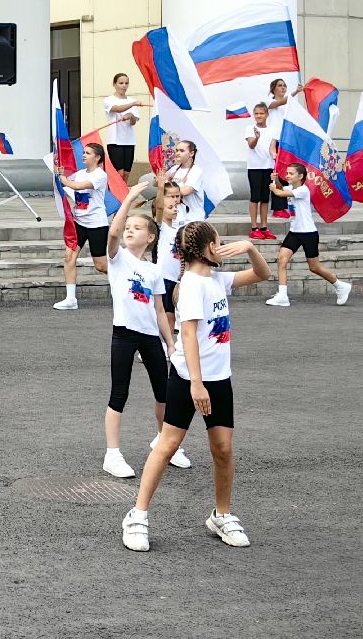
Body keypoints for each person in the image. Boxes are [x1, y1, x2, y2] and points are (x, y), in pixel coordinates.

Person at [121, 223, 272, 552]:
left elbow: (262, 275)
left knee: (223, 449)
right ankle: (137, 516)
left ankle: (222, 514)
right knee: (168, 445)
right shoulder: (191, 285)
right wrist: (197, 385)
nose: (222, 247)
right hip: (189, 380)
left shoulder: (217, 280)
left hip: (220, 379)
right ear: (205, 248)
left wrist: (248, 246)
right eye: (218, 242)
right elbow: (187, 335)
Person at [99, 182, 187, 479]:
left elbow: (160, 310)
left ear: (151, 237)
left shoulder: (153, 270)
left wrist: (171, 343)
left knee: (164, 393)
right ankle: (112, 454)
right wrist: (130, 197)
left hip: (151, 337)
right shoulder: (118, 260)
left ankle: (165, 443)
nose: (129, 230)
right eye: (129, 226)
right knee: (119, 393)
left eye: (137, 228)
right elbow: (112, 233)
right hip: (123, 334)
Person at [266, 164, 352, 308]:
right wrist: (276, 180)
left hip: (308, 233)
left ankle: (340, 285)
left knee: (314, 267)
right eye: (287, 173)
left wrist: (274, 188)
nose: (287, 175)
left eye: (291, 173)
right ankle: (282, 295)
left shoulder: (303, 190)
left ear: (300, 176)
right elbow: (281, 189)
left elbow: (279, 193)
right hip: (295, 232)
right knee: (282, 259)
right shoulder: (291, 188)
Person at [55, 142, 111, 311]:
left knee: (101, 266)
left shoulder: (100, 175)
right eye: (84, 152)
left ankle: (128, 277)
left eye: (88, 153)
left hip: (96, 225)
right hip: (79, 223)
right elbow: (64, 184)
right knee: (69, 257)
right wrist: (58, 173)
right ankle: (71, 299)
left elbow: (78, 186)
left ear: (98, 157)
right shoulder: (79, 173)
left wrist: (63, 179)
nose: (84, 155)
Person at [263, 78, 301, 219]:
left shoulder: (290, 105)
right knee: (277, 173)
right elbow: (281, 102)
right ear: (273, 89)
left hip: (288, 141)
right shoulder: (269, 103)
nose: (283, 88)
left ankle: (287, 206)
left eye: (285, 85)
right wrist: (296, 92)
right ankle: (278, 208)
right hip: (275, 141)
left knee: (288, 174)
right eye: (280, 86)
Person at [153, 180, 184, 333]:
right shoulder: (161, 228)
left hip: (176, 278)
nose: (174, 209)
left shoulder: (178, 231)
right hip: (163, 277)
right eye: (170, 207)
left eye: (175, 207)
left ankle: (168, 345)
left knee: (171, 314)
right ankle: (160, 345)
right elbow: (159, 207)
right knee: (163, 313)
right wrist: (160, 188)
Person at [244, 103, 278, 240]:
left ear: (266, 115)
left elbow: (272, 148)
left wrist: (275, 156)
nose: (258, 116)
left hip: (268, 167)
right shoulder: (250, 129)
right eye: (256, 113)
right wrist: (257, 137)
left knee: (265, 198)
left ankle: (264, 227)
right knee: (255, 197)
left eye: (261, 113)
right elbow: (251, 145)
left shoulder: (273, 130)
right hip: (254, 167)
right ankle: (254, 227)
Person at [102, 73, 142, 181]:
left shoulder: (132, 100)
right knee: (119, 173)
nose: (124, 85)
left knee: (126, 173)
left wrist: (131, 116)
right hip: (115, 141)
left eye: (126, 83)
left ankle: (123, 196)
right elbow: (117, 109)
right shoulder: (109, 100)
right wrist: (132, 104)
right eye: (121, 83)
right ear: (114, 84)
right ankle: (117, 196)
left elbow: (133, 122)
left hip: (129, 140)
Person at [165, 139, 206, 226]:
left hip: (193, 219)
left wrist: (165, 185)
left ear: (191, 153)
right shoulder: (174, 169)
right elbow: (157, 184)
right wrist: (158, 179)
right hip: (176, 218)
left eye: (182, 151)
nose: (178, 153)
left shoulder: (196, 171)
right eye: (177, 150)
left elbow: (185, 191)